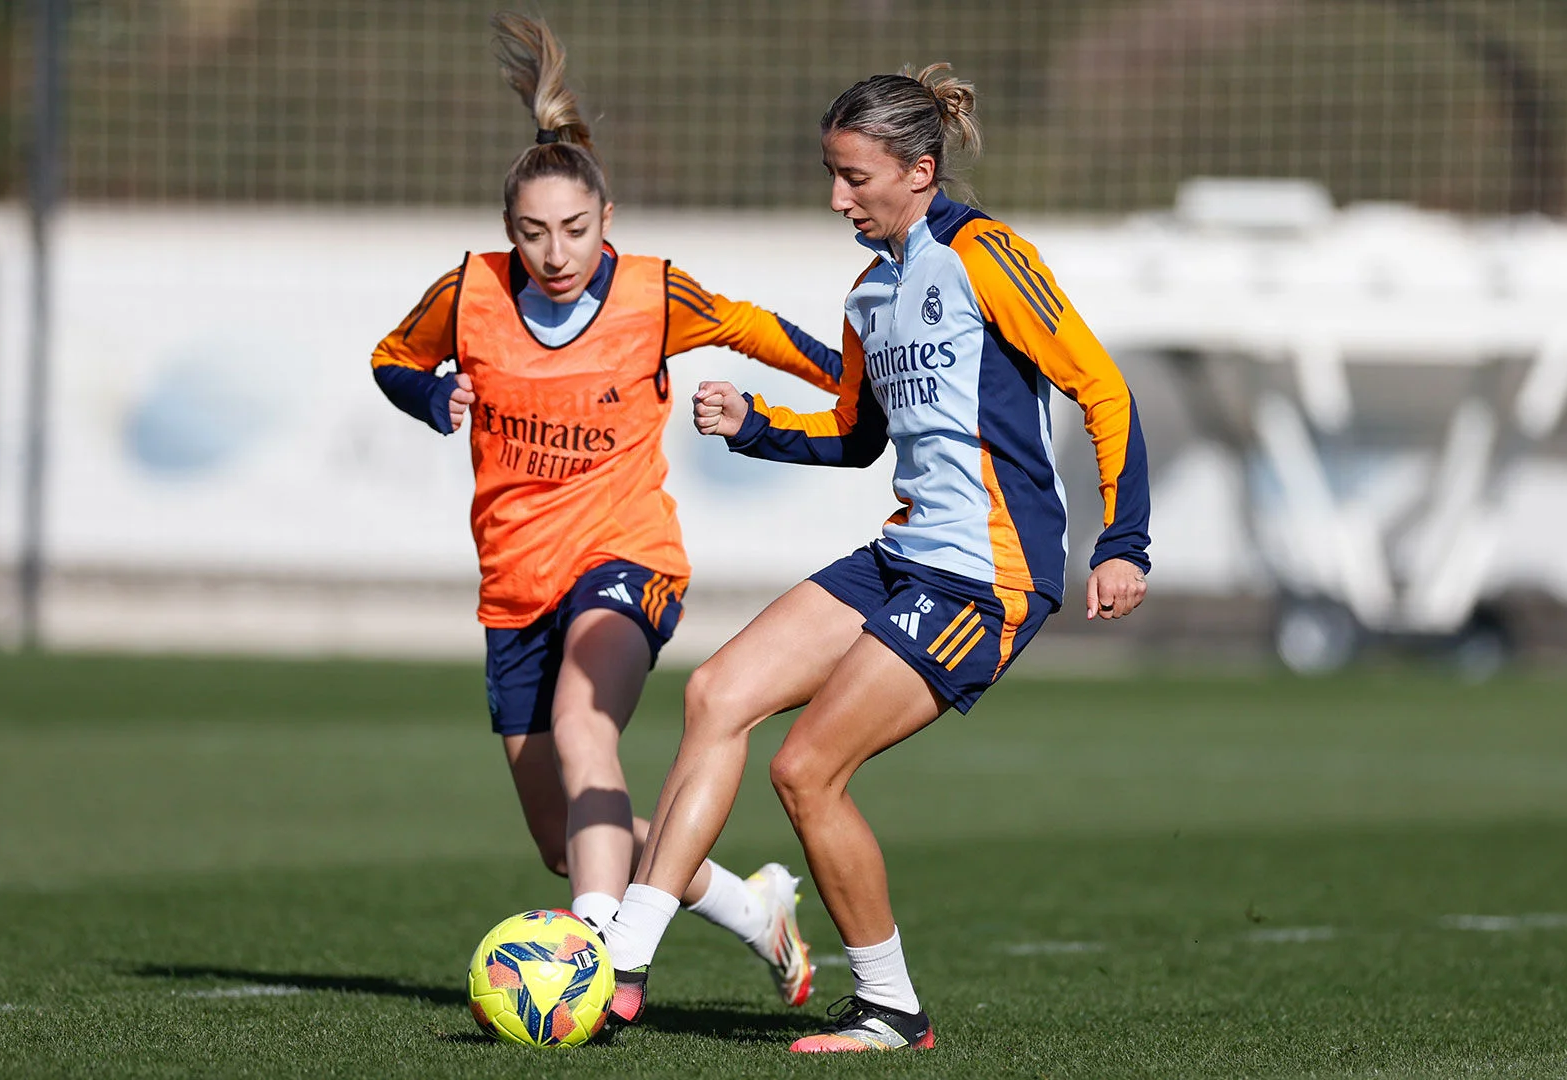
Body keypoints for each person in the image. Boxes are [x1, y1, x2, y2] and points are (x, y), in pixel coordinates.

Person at [596, 64, 1152, 1052]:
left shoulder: (986, 256)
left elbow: (1103, 391)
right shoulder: (869, 291)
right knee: (716, 693)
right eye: (832, 174)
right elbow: (856, 434)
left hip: (988, 575)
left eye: (854, 177)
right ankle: (625, 960)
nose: (836, 198)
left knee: (807, 770)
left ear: (920, 170)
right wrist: (756, 423)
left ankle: (890, 1006)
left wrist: (1123, 544)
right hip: (903, 554)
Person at [368, 14, 843, 1008]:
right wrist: (432, 396)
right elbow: (392, 359)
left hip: (626, 556)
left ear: (606, 219)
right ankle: (746, 904)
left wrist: (859, 387)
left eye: (575, 231)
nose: (555, 252)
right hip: (514, 584)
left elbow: (762, 332)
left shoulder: (653, 295)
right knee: (565, 838)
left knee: (591, 731)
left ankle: (595, 958)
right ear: (509, 235)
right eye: (533, 233)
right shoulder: (467, 295)